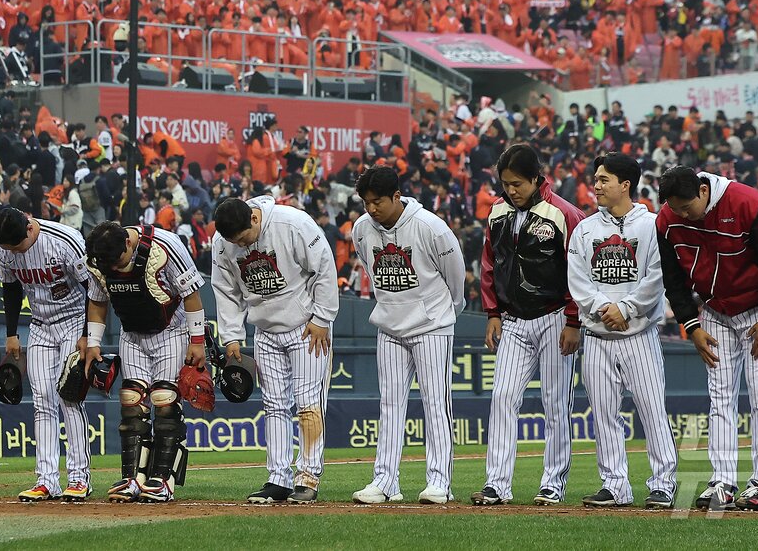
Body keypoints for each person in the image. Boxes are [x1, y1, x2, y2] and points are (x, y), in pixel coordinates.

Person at [656, 164, 758, 511]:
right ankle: (723, 481)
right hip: (713, 312)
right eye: (676, 208)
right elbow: (673, 279)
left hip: (757, 311)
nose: (683, 215)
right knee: (720, 396)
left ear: (703, 190)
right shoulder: (667, 219)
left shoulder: (747, 203)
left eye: (686, 207)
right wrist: (691, 325)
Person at [473, 144, 585, 506]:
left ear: (537, 178)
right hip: (513, 320)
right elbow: (489, 264)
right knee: (503, 397)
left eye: (517, 183)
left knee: (555, 403)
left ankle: (553, 483)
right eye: (505, 184)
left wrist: (573, 320)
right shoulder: (497, 211)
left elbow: (579, 271)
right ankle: (496, 484)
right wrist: (492, 312)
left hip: (556, 317)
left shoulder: (565, 214)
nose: (511, 190)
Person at [211, 195, 339, 504]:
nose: (240, 246)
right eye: (234, 242)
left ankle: (308, 478)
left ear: (254, 219)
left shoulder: (292, 223)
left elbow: (324, 267)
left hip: (306, 326)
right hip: (264, 329)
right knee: (274, 405)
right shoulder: (222, 242)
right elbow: (225, 289)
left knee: (308, 402)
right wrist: (231, 336)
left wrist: (322, 318)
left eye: (243, 239)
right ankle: (278, 478)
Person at [349, 166, 465, 505]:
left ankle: (439, 482)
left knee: (436, 402)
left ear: (397, 196)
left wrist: (443, 314)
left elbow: (456, 278)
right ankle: (385, 482)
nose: (371, 209)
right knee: (389, 404)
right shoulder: (361, 229)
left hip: (431, 326)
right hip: (389, 325)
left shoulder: (430, 227)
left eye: (378, 201)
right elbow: (371, 269)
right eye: (366, 202)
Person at [567, 153, 677, 510]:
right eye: (596, 179)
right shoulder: (585, 229)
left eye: (603, 179)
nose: (596, 186)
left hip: (639, 335)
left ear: (625, 184)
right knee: (603, 415)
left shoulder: (652, 225)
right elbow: (577, 280)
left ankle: (663, 484)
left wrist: (625, 309)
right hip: (598, 336)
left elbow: (657, 277)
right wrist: (605, 308)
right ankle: (615, 485)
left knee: (652, 411)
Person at [81, 221, 208, 504]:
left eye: (118, 261)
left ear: (128, 243)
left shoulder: (166, 246)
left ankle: (163, 480)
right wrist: (93, 343)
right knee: (131, 401)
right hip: (131, 334)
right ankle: (132, 478)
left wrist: (197, 341)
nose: (113, 268)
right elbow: (97, 301)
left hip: (171, 330)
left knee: (165, 400)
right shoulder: (99, 259)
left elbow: (191, 294)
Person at [0, 206, 98, 503]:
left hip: (74, 319)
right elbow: (11, 289)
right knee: (42, 401)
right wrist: (11, 333)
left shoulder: (65, 240)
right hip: (39, 325)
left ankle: (79, 478)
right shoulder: (3, 249)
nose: (11, 251)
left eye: (15, 245)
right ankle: (47, 481)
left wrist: (88, 334)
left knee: (69, 397)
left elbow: (93, 289)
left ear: (29, 228)